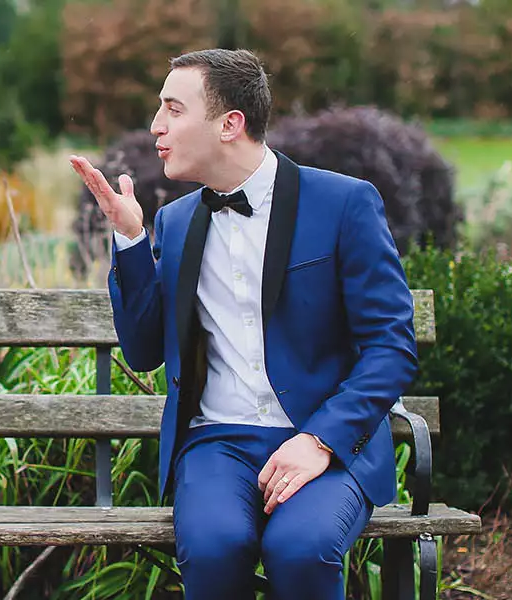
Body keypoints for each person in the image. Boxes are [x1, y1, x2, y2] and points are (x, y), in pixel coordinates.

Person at [69, 48, 417, 600]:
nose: (156, 127)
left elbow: (391, 346)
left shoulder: (344, 204)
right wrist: (131, 240)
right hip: (217, 442)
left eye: (173, 110)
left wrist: (321, 440)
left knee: (299, 549)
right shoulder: (176, 222)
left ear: (231, 124)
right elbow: (142, 351)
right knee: (215, 548)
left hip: (323, 438)